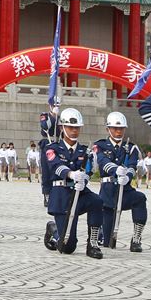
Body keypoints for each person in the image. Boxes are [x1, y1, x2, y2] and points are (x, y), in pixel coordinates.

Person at [43, 108, 103, 259]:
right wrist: (71, 174)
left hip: (80, 193)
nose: (74, 130)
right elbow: (55, 166)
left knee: (96, 201)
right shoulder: (52, 148)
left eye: (77, 127)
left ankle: (93, 243)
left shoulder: (85, 151)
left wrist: (85, 180)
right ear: (62, 127)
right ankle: (54, 229)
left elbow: (88, 170)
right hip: (62, 196)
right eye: (70, 127)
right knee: (67, 247)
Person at [94, 111, 146, 252]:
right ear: (108, 129)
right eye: (115, 128)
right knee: (107, 242)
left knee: (140, 199)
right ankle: (101, 233)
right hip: (108, 193)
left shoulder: (131, 147)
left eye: (121, 129)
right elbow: (102, 161)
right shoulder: (100, 146)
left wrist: (127, 176)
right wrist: (116, 170)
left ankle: (136, 239)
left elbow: (133, 165)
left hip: (125, 192)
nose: (118, 131)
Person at [38, 105, 61, 206]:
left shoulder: (61, 117)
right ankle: (46, 194)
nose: (56, 107)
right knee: (46, 172)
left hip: (58, 143)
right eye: (54, 105)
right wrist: (53, 116)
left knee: (57, 170)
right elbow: (45, 126)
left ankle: (56, 194)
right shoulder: (45, 116)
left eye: (58, 105)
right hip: (47, 143)